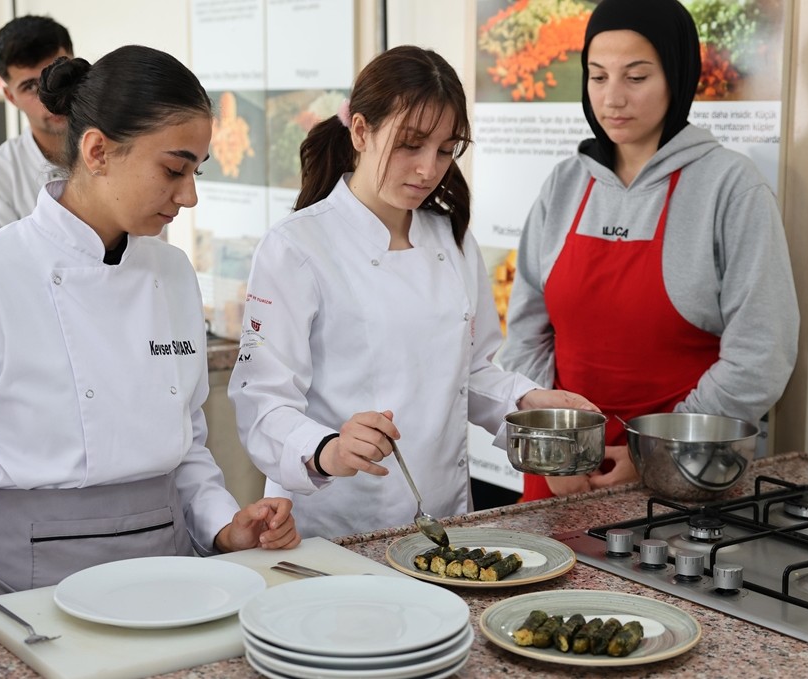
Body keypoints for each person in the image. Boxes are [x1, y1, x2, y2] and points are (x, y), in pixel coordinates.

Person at [0, 45, 301, 626]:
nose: (190, 195)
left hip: (172, 581)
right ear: (97, 151)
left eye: (197, 171)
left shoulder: (172, 274)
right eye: (174, 168)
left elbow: (185, 443)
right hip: (23, 592)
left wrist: (222, 525)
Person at [228, 45, 597, 540]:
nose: (429, 169)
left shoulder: (452, 238)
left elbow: (471, 372)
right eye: (411, 144)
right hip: (334, 525)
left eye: (446, 150)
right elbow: (262, 403)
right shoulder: (295, 247)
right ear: (361, 131)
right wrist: (329, 448)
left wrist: (528, 400)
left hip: (444, 519)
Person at [500, 0, 799, 502]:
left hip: (685, 475)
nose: (612, 97)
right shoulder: (566, 183)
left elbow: (762, 351)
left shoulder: (729, 185)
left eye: (636, 77)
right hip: (561, 475)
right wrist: (552, 447)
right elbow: (527, 332)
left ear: (677, 77)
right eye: (598, 76)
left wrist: (656, 454)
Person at [0, 15, 71, 243]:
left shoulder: (123, 150)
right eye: (30, 86)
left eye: (59, 77)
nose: (50, 97)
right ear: (10, 97)